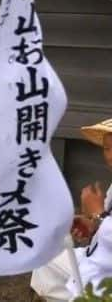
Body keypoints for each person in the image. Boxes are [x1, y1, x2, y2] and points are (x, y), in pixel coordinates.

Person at [31, 118, 112, 299]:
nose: (110, 156)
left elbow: (104, 218)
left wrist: (97, 213)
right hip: (98, 259)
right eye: (107, 148)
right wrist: (92, 226)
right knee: (46, 264)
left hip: (107, 274)